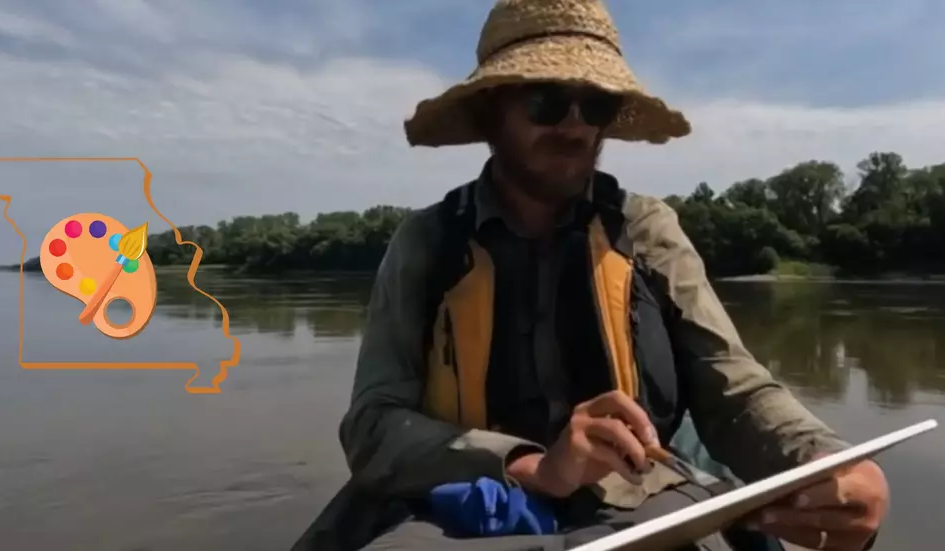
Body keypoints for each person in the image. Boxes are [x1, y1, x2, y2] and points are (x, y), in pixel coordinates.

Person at [291, 0, 890, 550]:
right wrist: (529, 466)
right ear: (491, 110)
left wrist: (830, 460)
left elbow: (732, 388)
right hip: (465, 496)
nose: (575, 126)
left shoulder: (648, 230)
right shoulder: (426, 242)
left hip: (639, 495)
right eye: (547, 101)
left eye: (595, 104)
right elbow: (372, 426)